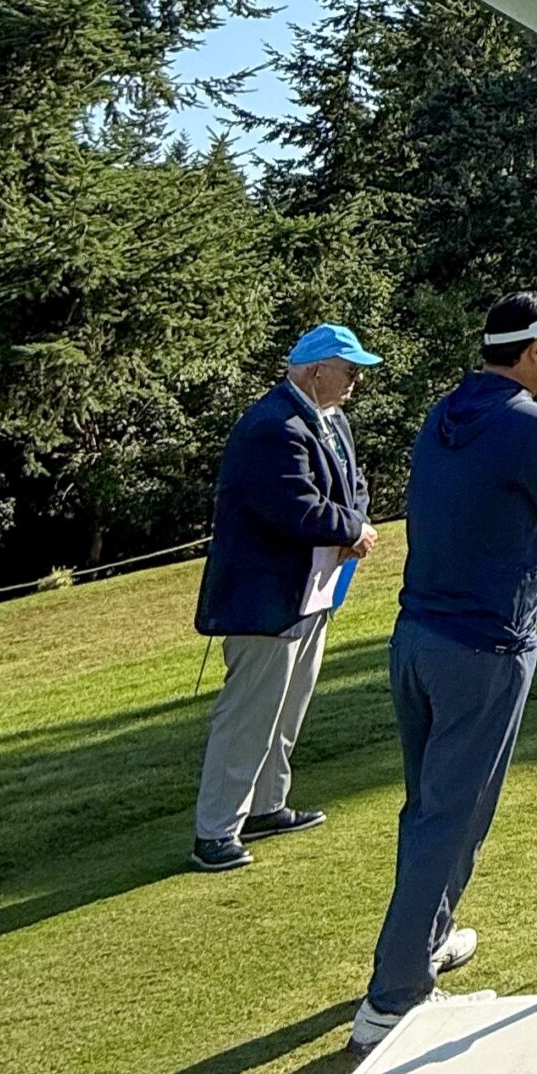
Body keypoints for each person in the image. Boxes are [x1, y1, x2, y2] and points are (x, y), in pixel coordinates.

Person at [351, 291, 537, 1053]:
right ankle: (393, 1000)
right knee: (449, 815)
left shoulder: (444, 410)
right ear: (529, 352)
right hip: (483, 648)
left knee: (429, 806)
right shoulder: (536, 424)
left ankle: (426, 937)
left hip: (416, 639)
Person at [189, 324, 381, 872]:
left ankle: (266, 805)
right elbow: (293, 505)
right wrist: (352, 530)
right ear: (317, 370)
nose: (355, 383)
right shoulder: (272, 425)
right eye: (350, 371)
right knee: (250, 713)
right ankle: (215, 832)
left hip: (310, 591)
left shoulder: (330, 419)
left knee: (287, 706)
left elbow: (355, 488)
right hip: (264, 596)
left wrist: (354, 522)